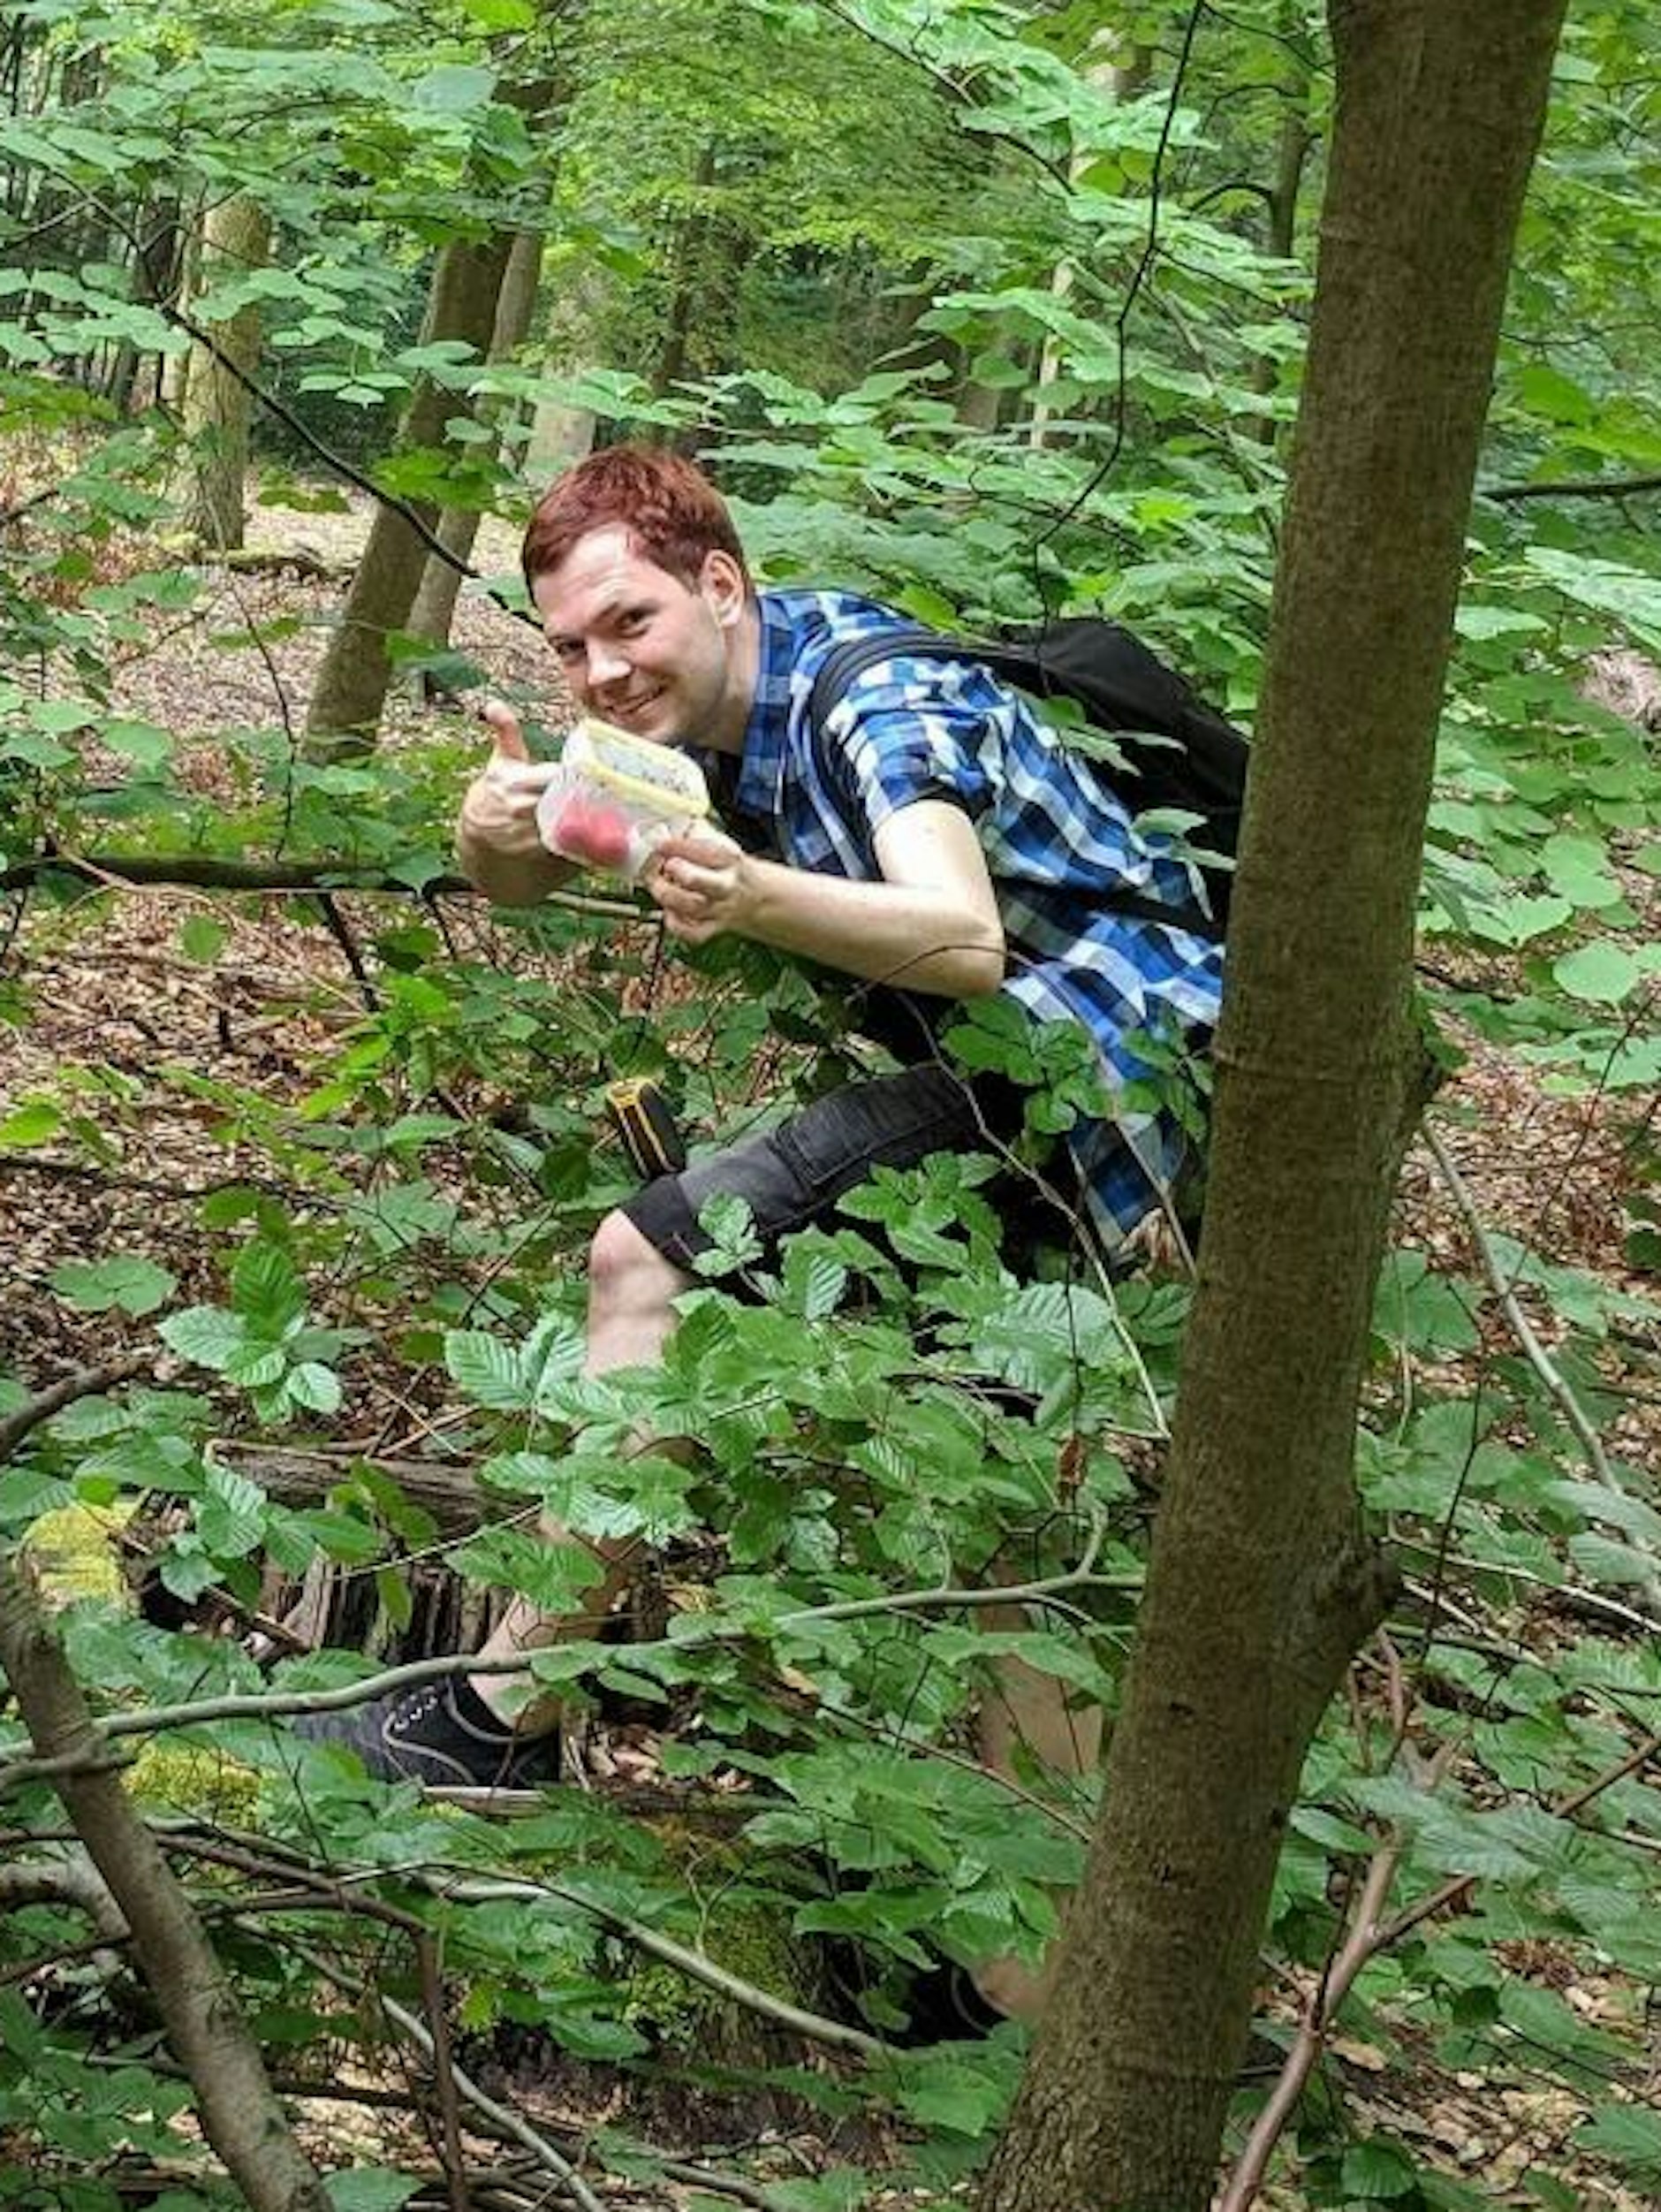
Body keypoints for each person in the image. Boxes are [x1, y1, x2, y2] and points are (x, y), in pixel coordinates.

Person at [300, 445, 1222, 1997]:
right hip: (1059, 1087)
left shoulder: (871, 703)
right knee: (1007, 1496)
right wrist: (493, 830)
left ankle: (496, 1715)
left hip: (1095, 1072)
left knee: (647, 1260)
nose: (604, 672)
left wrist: (744, 895)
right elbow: (528, 886)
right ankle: (1020, 1995)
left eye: (631, 624)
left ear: (721, 586)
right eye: (573, 647)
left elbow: (962, 940)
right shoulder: (698, 717)